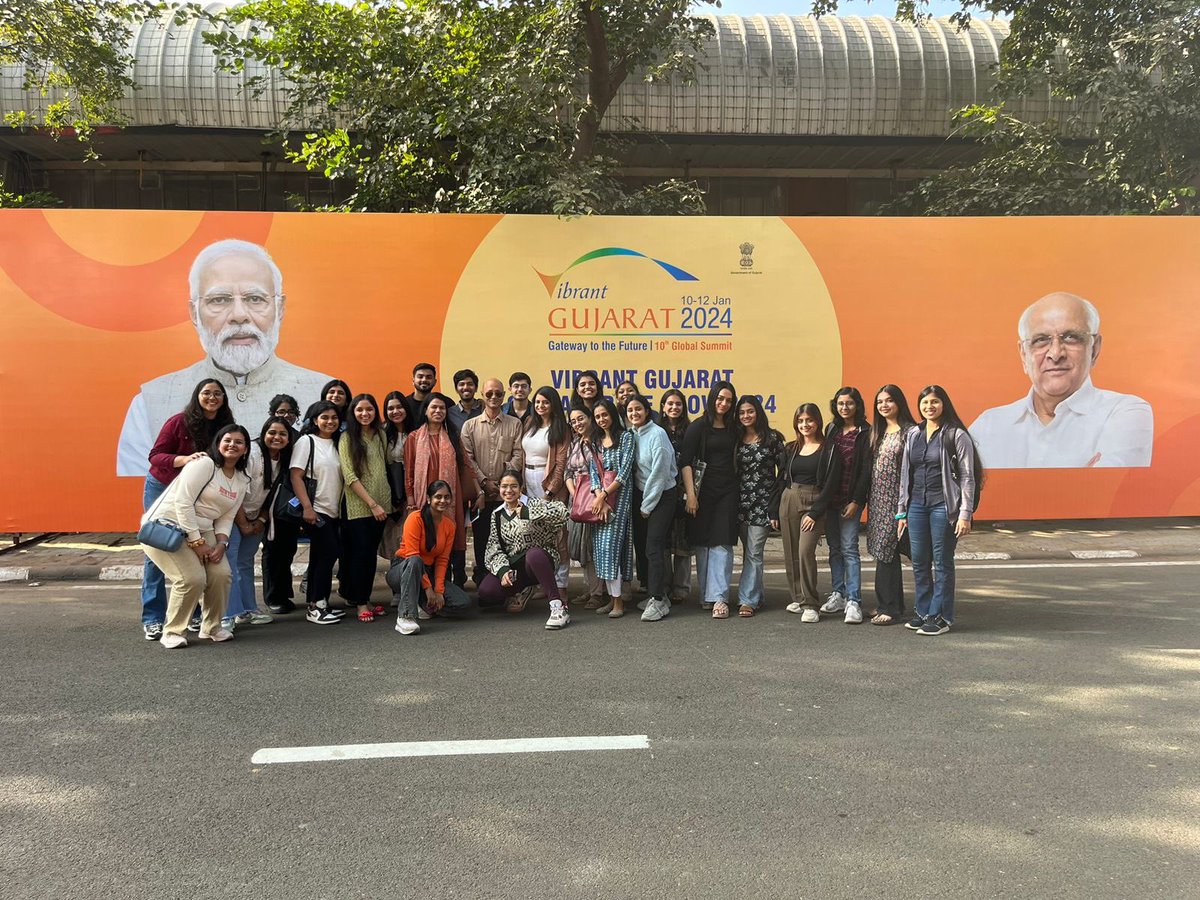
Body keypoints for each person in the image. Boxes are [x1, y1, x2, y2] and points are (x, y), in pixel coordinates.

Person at [117, 239, 331, 476]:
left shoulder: (323, 392)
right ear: (194, 313)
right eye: (219, 300)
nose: (239, 316)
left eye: (255, 299)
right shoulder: (150, 402)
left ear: (279, 309)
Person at [970, 292, 1153, 468]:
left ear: (1094, 349)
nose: (1056, 354)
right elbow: (961, 495)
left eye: (1071, 338)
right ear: (1024, 354)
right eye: (1041, 340)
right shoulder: (988, 425)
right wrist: (1080, 478)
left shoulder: (1125, 413)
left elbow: (1107, 494)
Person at [139, 378, 234, 640]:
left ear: (224, 398)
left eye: (218, 393)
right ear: (197, 395)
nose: (212, 397)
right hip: (164, 486)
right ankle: (153, 618)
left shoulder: (223, 426)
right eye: (206, 393)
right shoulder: (179, 421)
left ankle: (193, 616)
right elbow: (156, 456)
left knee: (193, 558)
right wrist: (184, 459)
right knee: (161, 547)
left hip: (197, 495)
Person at [139, 424, 251, 648]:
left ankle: (211, 627)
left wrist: (221, 543)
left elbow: (227, 517)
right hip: (168, 526)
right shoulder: (204, 464)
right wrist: (197, 542)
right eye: (227, 440)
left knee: (222, 574)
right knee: (192, 579)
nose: (232, 445)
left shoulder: (241, 479)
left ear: (245, 449)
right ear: (218, 444)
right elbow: (183, 502)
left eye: (239, 442)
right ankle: (172, 631)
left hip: (204, 530)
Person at [898, 385, 981, 636]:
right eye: (924, 403)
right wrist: (902, 511)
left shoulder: (956, 435)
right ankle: (923, 611)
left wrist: (965, 513)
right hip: (916, 506)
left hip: (943, 506)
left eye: (934, 402)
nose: (929, 407)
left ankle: (942, 616)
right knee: (920, 561)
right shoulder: (913, 434)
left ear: (944, 404)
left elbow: (968, 476)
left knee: (942, 562)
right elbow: (905, 474)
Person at [770, 404, 843, 623]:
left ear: (818, 422)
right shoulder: (791, 448)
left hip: (815, 502)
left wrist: (815, 512)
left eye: (809, 420)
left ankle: (811, 604)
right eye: (800, 421)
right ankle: (799, 597)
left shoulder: (830, 449)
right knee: (791, 551)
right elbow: (781, 479)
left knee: (804, 551)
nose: (805, 425)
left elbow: (831, 484)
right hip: (790, 498)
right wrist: (773, 509)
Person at [220, 416, 291, 630]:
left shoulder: (283, 459)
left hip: (255, 518)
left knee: (245, 563)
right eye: (272, 432)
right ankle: (226, 615)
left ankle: (248, 610)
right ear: (263, 433)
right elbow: (237, 492)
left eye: (282, 434)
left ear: (288, 439)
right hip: (230, 514)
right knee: (229, 565)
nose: (276, 437)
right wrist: (243, 523)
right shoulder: (252, 454)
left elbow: (272, 496)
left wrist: (260, 519)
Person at [479, 470, 571, 629]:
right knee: (487, 591)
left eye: (513, 486)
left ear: (521, 488)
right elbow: (494, 547)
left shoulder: (534, 503)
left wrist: (530, 513)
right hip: (516, 566)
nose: (508, 491)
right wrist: (503, 570)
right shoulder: (497, 514)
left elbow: (563, 512)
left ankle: (558, 607)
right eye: (504, 486)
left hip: (541, 560)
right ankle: (523, 590)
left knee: (534, 554)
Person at [679, 381, 739, 618]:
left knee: (722, 542)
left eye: (728, 400)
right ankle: (707, 595)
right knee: (703, 543)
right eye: (720, 398)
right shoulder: (698, 427)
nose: (723, 403)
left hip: (728, 491)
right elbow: (685, 462)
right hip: (702, 492)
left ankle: (719, 598)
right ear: (712, 398)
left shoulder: (734, 428)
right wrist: (691, 496)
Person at [386, 480, 472, 636]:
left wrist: (438, 591)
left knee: (463, 603)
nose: (443, 501)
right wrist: (428, 589)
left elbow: (442, 561)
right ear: (428, 499)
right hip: (404, 569)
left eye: (447, 497)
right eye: (438, 497)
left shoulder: (449, 525)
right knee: (415, 561)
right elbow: (412, 555)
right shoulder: (415, 518)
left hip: (428, 571)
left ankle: (423, 605)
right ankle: (405, 615)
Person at [461, 379, 524, 587]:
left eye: (498, 394)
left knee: (509, 539)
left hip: (506, 496)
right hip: (480, 495)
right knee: (481, 539)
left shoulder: (514, 424)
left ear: (504, 395)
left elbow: (517, 454)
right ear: (482, 395)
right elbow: (468, 459)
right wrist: (485, 482)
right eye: (489, 394)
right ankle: (484, 581)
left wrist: (503, 483)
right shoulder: (469, 426)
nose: (494, 398)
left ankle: (509, 582)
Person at [865, 385, 918, 625]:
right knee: (885, 552)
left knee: (887, 551)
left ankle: (889, 607)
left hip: (898, 502)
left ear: (899, 402)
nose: (884, 405)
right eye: (879, 402)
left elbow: (914, 470)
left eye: (889, 400)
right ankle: (892, 604)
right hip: (877, 500)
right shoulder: (878, 430)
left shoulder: (911, 431)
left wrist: (906, 504)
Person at [819, 387, 872, 624]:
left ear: (857, 405)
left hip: (851, 499)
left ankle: (854, 600)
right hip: (831, 499)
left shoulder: (866, 432)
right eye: (840, 404)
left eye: (849, 403)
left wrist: (857, 501)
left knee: (850, 548)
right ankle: (838, 593)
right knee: (834, 548)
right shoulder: (831, 429)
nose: (844, 408)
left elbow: (865, 471)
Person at [290, 400, 346, 625]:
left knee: (321, 556)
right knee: (327, 554)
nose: (330, 421)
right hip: (316, 509)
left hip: (333, 511)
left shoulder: (336, 443)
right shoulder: (307, 442)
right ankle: (316, 605)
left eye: (334, 418)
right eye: (324, 417)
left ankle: (319, 601)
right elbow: (296, 475)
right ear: (314, 420)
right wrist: (307, 508)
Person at [403, 393, 468, 583]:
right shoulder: (414, 438)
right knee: (425, 539)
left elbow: (465, 465)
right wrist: (411, 500)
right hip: (424, 498)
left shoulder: (453, 436)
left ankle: (448, 585)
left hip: (449, 498)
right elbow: (409, 472)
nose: (438, 411)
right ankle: (425, 587)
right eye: (434, 407)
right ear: (425, 411)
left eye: (442, 408)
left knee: (449, 538)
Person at [338, 393, 392, 621]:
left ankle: (366, 597)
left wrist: (384, 504)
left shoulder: (381, 434)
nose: (364, 414)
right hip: (359, 507)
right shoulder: (346, 438)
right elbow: (349, 476)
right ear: (353, 412)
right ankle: (360, 603)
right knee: (360, 555)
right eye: (360, 410)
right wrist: (372, 504)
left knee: (370, 555)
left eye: (369, 409)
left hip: (383, 506)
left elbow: (387, 466)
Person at [625, 394, 677, 623]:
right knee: (643, 546)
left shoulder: (658, 434)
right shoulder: (633, 435)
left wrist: (647, 505)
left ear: (647, 411)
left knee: (654, 547)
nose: (634, 413)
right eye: (630, 411)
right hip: (641, 494)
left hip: (662, 495)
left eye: (638, 409)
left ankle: (658, 600)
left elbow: (660, 472)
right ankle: (657, 594)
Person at [733, 395, 785, 617]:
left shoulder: (772, 439)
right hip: (739, 504)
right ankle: (757, 595)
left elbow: (783, 473)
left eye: (750, 411)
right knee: (748, 553)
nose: (746, 416)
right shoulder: (735, 438)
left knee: (754, 552)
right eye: (742, 412)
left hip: (763, 504)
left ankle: (747, 600)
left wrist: (775, 506)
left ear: (758, 412)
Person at [586, 398, 634, 617]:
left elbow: (624, 472)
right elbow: (593, 473)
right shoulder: (595, 441)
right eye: (597, 416)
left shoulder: (626, 437)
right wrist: (598, 497)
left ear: (613, 415)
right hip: (600, 502)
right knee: (602, 550)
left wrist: (605, 495)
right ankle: (611, 599)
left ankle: (619, 603)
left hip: (620, 499)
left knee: (613, 548)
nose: (601, 419)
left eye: (605, 414)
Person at [522, 386, 571, 592]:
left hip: (549, 483)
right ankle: (544, 583)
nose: (541, 406)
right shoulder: (530, 423)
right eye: (538, 402)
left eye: (546, 402)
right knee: (536, 534)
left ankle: (561, 588)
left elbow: (561, 463)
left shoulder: (561, 428)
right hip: (528, 479)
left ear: (553, 405)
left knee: (557, 535)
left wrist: (550, 492)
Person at [564, 406, 605, 608]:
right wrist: (576, 495)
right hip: (578, 499)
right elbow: (568, 473)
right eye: (574, 421)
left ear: (590, 419)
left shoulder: (600, 442)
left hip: (596, 498)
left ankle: (598, 593)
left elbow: (604, 471)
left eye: (581, 418)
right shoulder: (574, 442)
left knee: (594, 546)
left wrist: (591, 495)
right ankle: (589, 589)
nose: (578, 423)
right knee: (580, 546)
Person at [659, 389, 692, 603]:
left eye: (678, 404)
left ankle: (681, 588)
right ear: (663, 407)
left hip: (685, 489)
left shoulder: (690, 430)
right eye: (669, 404)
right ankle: (664, 585)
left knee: (683, 541)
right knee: (662, 541)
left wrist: (691, 492)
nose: (674, 407)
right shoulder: (655, 430)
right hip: (661, 491)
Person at [379, 390, 411, 558]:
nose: (395, 411)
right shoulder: (382, 433)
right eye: (391, 408)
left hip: (412, 493)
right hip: (391, 493)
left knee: (410, 536)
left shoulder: (416, 431)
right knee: (393, 538)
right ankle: (396, 575)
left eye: (399, 407)